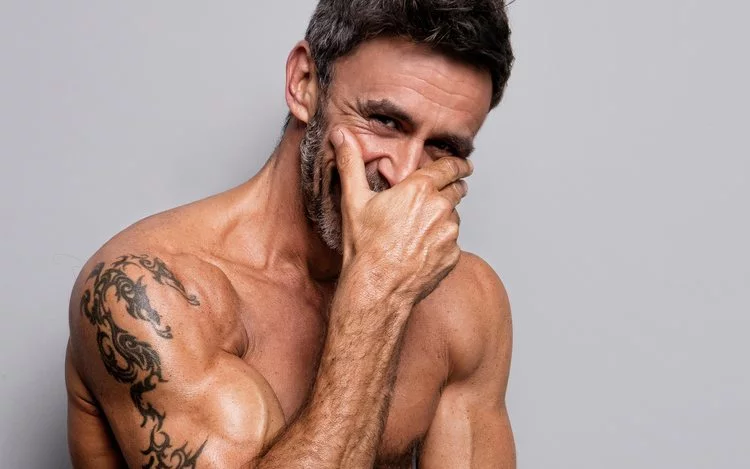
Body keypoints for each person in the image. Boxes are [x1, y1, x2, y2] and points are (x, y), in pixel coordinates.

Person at [65, 1, 515, 467]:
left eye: (443, 146)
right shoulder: (149, 294)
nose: (403, 174)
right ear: (304, 84)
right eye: (385, 121)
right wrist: (378, 294)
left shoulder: (464, 303)